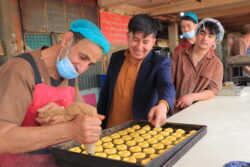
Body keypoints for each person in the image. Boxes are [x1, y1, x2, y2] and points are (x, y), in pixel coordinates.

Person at [0, 19, 110, 166]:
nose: (82, 69)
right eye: (82, 57)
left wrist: (64, 116)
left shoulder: (71, 75)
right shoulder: (20, 69)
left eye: (89, 64)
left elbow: (77, 116)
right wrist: (69, 129)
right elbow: (3, 138)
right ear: (66, 40)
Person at [97, 14, 175, 128]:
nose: (139, 47)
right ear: (128, 36)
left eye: (145, 42)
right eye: (135, 40)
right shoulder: (116, 58)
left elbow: (166, 84)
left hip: (139, 131)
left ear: (153, 42)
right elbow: (105, 92)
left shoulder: (160, 63)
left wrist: (163, 105)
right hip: (110, 128)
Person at [172, 18, 224, 113]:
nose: (205, 38)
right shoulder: (178, 55)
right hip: (175, 108)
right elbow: (168, 81)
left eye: (210, 36)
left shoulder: (217, 64)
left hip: (200, 111)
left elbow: (213, 91)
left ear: (215, 41)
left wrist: (192, 97)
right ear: (196, 33)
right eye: (202, 33)